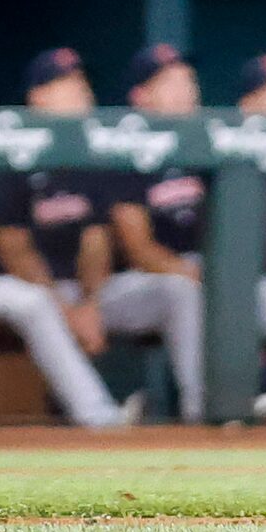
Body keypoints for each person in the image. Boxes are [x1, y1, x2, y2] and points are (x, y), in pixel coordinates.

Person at [0, 49, 138, 430]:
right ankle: (100, 418)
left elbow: (95, 241)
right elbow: (14, 251)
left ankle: (209, 418)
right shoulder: (8, 150)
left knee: (173, 292)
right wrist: (69, 309)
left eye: (83, 84)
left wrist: (90, 302)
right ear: (38, 97)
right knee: (36, 303)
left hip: (71, 289)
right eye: (69, 84)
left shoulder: (88, 155)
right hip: (0, 285)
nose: (83, 93)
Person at [95, 43, 211, 422]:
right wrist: (199, 275)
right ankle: (203, 411)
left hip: (206, 270)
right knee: (183, 289)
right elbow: (139, 248)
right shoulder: (127, 153)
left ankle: (256, 393)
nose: (185, 89)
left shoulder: (208, 145)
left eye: (188, 80)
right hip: (136, 281)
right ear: (141, 97)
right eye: (170, 82)